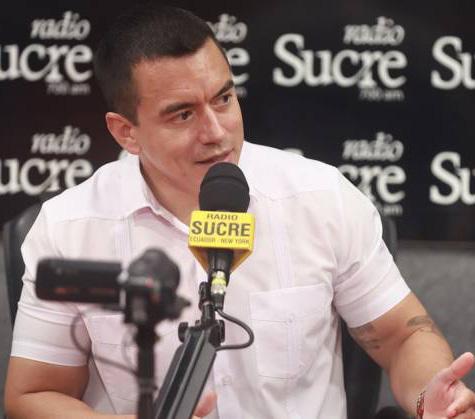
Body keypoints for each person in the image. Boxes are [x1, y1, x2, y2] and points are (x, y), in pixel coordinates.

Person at [4, 4, 475, 419]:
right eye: (183, 114)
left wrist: (428, 399)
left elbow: (402, 337)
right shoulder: (69, 230)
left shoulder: (320, 198)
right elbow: (34, 394)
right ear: (126, 132)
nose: (216, 132)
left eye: (223, 99)